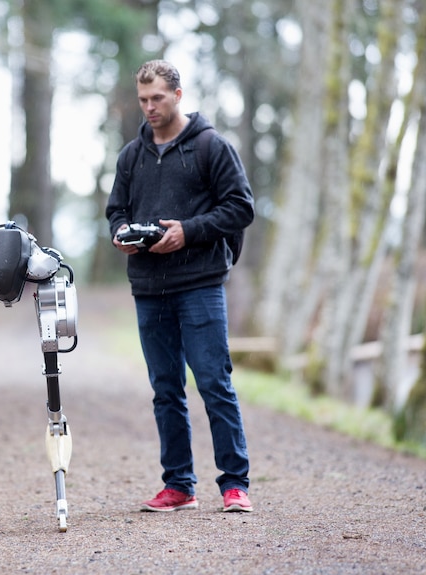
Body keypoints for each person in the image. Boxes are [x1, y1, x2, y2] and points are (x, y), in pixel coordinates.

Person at [106, 60, 255, 513]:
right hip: (149, 288)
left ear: (178, 95)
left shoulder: (211, 147)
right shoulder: (131, 156)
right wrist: (122, 233)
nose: (149, 107)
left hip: (200, 284)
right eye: (143, 99)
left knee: (214, 383)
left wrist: (187, 231)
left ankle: (234, 485)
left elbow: (241, 208)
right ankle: (179, 486)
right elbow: (116, 210)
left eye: (158, 98)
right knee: (165, 389)